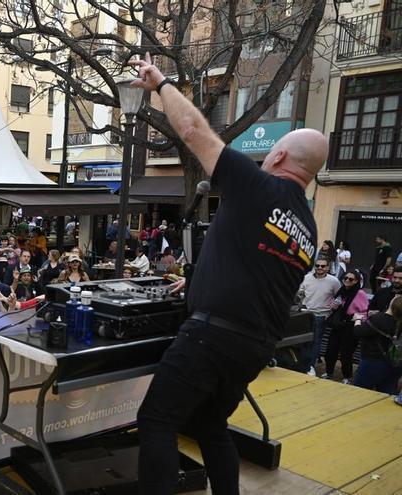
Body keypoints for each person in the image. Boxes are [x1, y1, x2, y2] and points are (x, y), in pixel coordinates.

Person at [129, 53, 328, 494]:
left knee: (157, 420)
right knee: (210, 424)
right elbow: (257, 273)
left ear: (276, 155)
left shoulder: (258, 184)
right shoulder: (308, 229)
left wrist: (160, 82)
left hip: (212, 337)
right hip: (255, 347)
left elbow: (195, 131)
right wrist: (198, 282)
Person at [323, 270, 369, 383]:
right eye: (345, 278)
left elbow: (365, 312)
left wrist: (357, 318)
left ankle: (347, 376)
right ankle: (329, 372)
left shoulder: (360, 293)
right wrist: (333, 305)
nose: (347, 280)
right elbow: (333, 306)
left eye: (351, 279)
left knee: (346, 353)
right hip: (338, 324)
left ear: (357, 281)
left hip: (350, 325)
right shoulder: (341, 290)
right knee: (331, 350)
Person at [298, 259, 341, 375]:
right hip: (305, 313)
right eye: (317, 265)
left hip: (321, 316)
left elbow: (339, 297)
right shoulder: (307, 277)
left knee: (315, 342)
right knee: (302, 340)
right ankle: (301, 365)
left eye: (323, 265)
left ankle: (310, 367)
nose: (320, 267)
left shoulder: (334, 281)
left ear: (328, 267)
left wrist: (331, 310)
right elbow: (300, 292)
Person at [353, 296, 402, 394]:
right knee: (387, 393)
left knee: (360, 393)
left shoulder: (379, 319)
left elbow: (358, 332)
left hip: (373, 361)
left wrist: (357, 320)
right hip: (396, 363)